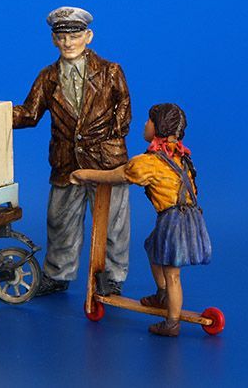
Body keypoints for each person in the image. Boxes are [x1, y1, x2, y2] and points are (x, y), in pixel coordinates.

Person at [13, 6, 132, 296]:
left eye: (75, 35)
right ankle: (58, 273)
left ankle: (112, 277)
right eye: (62, 36)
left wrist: (110, 138)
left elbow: (124, 108)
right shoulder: (47, 77)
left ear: (88, 36)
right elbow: (29, 113)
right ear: (54, 40)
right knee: (60, 220)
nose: (68, 42)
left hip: (106, 163)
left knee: (113, 224)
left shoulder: (110, 72)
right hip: (66, 162)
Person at [70, 103, 212, 337]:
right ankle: (162, 295)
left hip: (173, 219)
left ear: (158, 127)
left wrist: (82, 174)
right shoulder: (181, 156)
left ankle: (172, 323)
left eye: (149, 121)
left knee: (172, 273)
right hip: (190, 216)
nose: (145, 124)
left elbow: (116, 176)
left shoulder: (150, 163)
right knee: (152, 247)